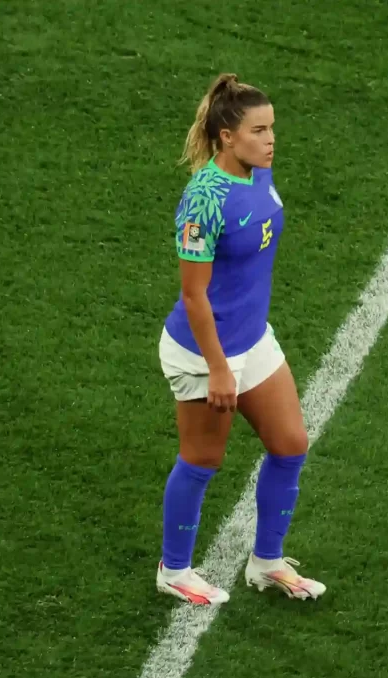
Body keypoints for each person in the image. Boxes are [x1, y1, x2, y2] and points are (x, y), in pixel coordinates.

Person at [154, 73, 326, 605]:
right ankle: (174, 569)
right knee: (202, 458)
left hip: (252, 339)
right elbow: (194, 296)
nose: (271, 139)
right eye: (259, 130)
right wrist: (220, 368)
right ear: (227, 136)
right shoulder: (203, 199)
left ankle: (266, 562)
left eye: (272, 127)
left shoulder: (259, 173)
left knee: (290, 444)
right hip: (206, 352)